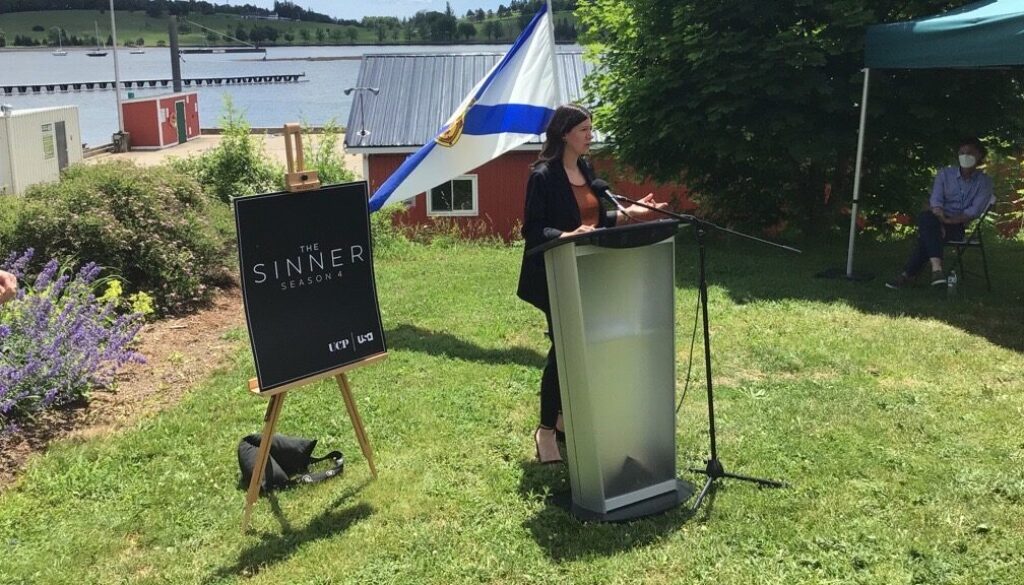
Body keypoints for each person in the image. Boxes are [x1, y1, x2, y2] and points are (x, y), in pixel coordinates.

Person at [516, 104, 668, 463]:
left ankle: (564, 418)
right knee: (565, 350)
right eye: (584, 130)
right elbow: (533, 230)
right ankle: (546, 432)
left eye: (590, 129)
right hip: (553, 274)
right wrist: (568, 234)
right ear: (565, 133)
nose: (590, 136)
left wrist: (633, 215)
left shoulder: (586, 170)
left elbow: (597, 218)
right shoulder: (542, 175)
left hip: (589, 270)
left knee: (582, 348)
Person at [886, 137, 993, 290]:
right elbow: (936, 201)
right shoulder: (945, 174)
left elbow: (974, 211)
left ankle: (906, 275)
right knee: (928, 221)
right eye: (962, 152)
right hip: (936, 218)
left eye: (970, 153)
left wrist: (948, 222)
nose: (965, 156)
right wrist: (940, 219)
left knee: (928, 233)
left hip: (957, 225)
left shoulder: (984, 182)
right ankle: (936, 270)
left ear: (979, 156)